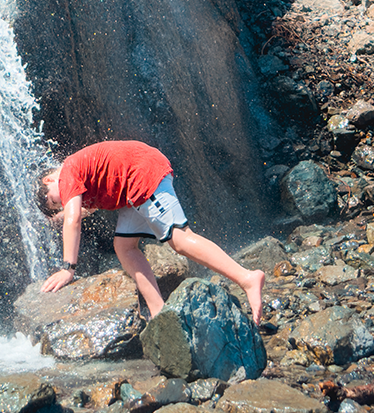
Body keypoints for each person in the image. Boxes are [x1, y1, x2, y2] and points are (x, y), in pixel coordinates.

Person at [36, 138, 265, 325]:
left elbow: (74, 219)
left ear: (49, 179)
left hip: (142, 175)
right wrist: (58, 217)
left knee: (180, 239)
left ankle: (247, 278)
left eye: (54, 202)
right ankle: (159, 311)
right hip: (134, 184)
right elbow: (80, 212)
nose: (62, 205)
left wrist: (68, 269)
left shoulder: (67, 173)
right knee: (124, 247)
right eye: (57, 207)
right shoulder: (78, 175)